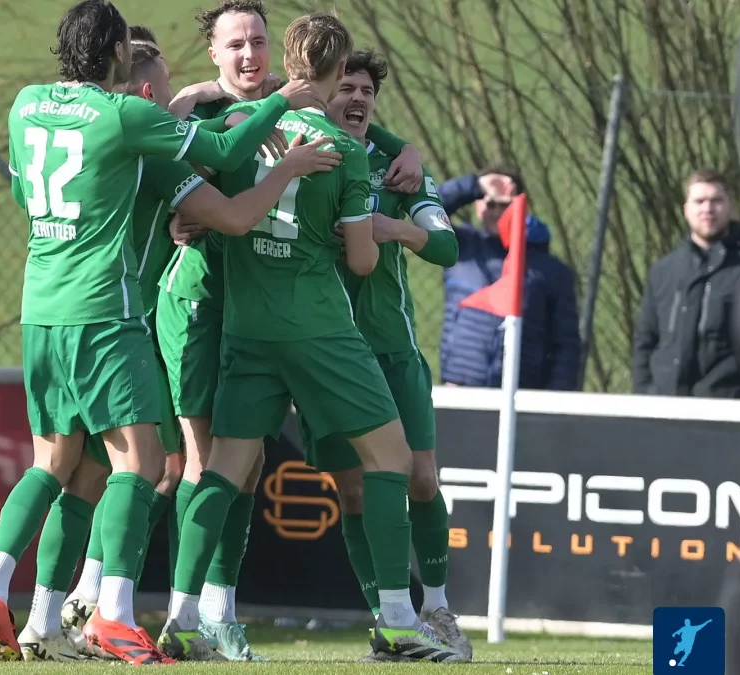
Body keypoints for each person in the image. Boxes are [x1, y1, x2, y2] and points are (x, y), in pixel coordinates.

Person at [0, 0, 329, 664]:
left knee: (57, 465)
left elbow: (25, 195)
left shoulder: (26, 105)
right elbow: (221, 162)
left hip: (39, 309)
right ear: (120, 62)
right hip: (107, 311)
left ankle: (4, 594)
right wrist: (285, 124)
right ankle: (114, 611)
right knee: (145, 463)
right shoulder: (129, 120)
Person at [158, 13, 462, 664]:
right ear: (336, 68)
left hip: (246, 328)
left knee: (223, 471)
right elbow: (360, 262)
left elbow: (192, 152)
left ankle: (183, 615)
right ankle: (400, 619)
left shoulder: (240, 126)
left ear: (285, 64)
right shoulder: (344, 151)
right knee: (390, 461)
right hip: (321, 330)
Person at [295, 48, 470, 662]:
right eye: (346, 86)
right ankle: (387, 623)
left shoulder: (397, 170)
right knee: (356, 493)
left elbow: (447, 248)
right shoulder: (306, 152)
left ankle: (439, 609)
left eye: (367, 89)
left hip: (393, 352)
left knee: (421, 479)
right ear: (322, 90)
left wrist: (389, 226)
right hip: (326, 354)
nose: (358, 97)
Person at [436, 167, 580, 390]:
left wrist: (554, 405)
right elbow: (426, 210)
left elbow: (566, 346)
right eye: (490, 203)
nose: (496, 212)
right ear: (477, 205)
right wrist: (476, 185)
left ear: (521, 208)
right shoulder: (459, 247)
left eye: (504, 205)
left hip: (521, 395)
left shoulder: (550, 270)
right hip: (460, 388)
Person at [633, 169, 740, 398]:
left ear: (730, 207)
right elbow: (645, 340)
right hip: (665, 407)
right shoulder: (664, 271)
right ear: (686, 209)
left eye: (716, 201)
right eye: (699, 201)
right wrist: (646, 392)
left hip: (725, 409)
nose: (707, 209)